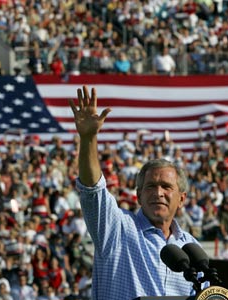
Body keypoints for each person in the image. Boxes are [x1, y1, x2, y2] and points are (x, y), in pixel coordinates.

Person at [68, 86, 206, 299]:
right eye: (150, 186)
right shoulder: (117, 228)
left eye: (167, 187)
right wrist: (88, 139)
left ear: (182, 199)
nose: (158, 193)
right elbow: (92, 190)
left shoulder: (190, 248)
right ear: (138, 195)